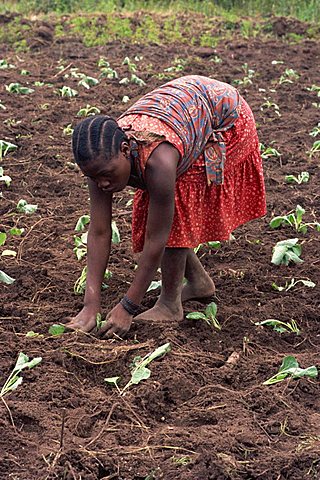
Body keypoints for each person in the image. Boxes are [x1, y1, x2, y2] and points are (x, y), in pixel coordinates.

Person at [66, 75, 266, 338]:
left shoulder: (159, 162)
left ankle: (170, 304)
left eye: (106, 174)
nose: (102, 183)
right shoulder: (99, 163)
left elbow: (157, 238)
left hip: (227, 118)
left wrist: (128, 306)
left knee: (174, 209)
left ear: (126, 150)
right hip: (186, 111)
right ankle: (198, 282)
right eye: (94, 177)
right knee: (162, 211)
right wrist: (90, 305)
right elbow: (100, 231)